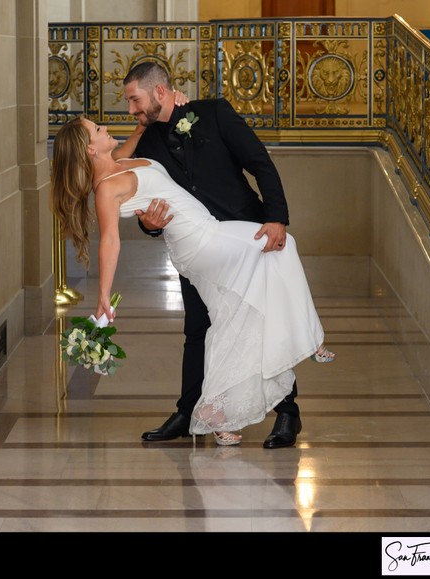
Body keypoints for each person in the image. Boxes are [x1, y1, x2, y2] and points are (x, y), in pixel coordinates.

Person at [51, 116, 334, 446]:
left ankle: (215, 413)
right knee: (282, 244)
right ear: (89, 149)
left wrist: (145, 123)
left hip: (203, 235)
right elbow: (110, 241)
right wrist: (103, 296)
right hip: (202, 239)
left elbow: (132, 140)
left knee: (231, 320)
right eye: (97, 130)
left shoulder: (116, 163)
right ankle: (311, 338)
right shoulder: (107, 189)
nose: (104, 127)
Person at [115, 61, 333, 449]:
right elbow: (147, 208)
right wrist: (150, 224)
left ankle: (287, 414)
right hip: (197, 251)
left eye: (135, 100)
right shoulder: (146, 145)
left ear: (160, 92)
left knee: (265, 322)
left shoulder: (214, 113)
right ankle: (188, 411)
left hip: (247, 240)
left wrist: (277, 218)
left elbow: (259, 162)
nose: (131, 109)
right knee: (197, 329)